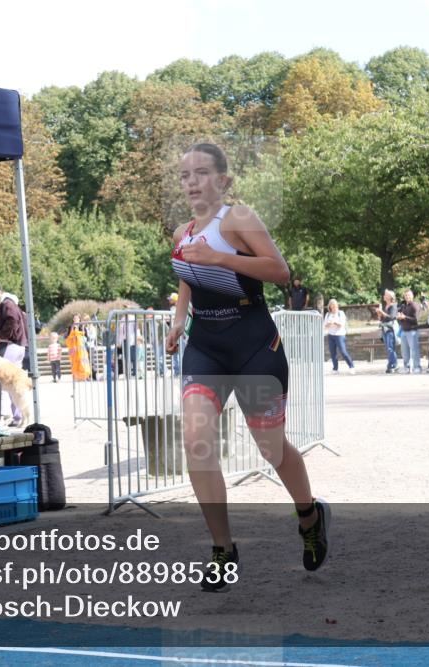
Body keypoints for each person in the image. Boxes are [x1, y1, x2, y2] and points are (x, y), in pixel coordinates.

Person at [167, 142, 329, 590]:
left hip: (254, 345)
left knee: (270, 449)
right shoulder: (182, 230)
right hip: (207, 348)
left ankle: (310, 515)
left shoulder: (238, 219)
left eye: (201, 172)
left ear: (223, 180)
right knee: (196, 439)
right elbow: (186, 274)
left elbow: (280, 271)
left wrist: (221, 257)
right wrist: (180, 320)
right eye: (185, 175)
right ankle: (223, 549)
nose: (193, 182)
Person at [0, 282, 29, 370]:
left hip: (10, 344)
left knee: (0, 371)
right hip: (16, 344)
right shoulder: (7, 303)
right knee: (12, 375)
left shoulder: (7, 304)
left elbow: (13, 321)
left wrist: (2, 336)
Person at [323, 299, 355, 374]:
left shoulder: (341, 313)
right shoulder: (328, 314)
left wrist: (334, 322)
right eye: (332, 306)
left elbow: (341, 324)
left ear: (337, 305)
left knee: (343, 352)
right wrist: (329, 324)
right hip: (331, 335)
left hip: (340, 335)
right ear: (330, 306)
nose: (334, 307)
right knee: (333, 353)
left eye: (335, 305)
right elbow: (325, 326)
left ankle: (351, 366)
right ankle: (335, 368)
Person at [396, 289, 422, 373]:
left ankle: (417, 367)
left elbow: (416, 320)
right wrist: (399, 318)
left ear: (412, 296)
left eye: (409, 295)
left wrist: (405, 317)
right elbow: (401, 318)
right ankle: (406, 368)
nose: (407, 296)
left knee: (414, 350)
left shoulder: (415, 305)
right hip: (404, 331)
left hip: (412, 331)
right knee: (404, 351)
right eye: (406, 295)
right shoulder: (404, 306)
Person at [374, 290, 399, 373]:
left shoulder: (393, 306)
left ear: (390, 297)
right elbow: (383, 319)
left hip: (390, 329)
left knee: (390, 348)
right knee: (388, 348)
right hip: (385, 329)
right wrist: (379, 314)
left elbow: (391, 317)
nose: (384, 295)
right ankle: (391, 364)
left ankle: (394, 365)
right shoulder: (386, 306)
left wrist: (382, 312)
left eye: (385, 294)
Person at [167, 293, 182, 375]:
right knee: (176, 353)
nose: (169, 300)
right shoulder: (174, 308)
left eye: (171, 299)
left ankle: (178, 371)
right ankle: (177, 371)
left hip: (178, 333)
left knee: (178, 353)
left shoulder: (175, 309)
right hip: (176, 333)